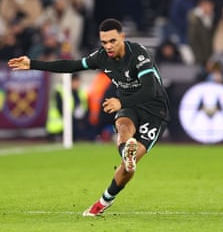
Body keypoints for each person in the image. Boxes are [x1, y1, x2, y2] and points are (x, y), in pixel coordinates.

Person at [8, 18, 171, 217]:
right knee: (123, 128)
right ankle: (127, 147)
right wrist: (33, 64)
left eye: (112, 41)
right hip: (129, 107)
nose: (108, 47)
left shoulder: (139, 54)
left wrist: (121, 103)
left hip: (155, 111)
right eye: (104, 42)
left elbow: (150, 90)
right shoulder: (102, 57)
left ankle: (104, 200)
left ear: (122, 37)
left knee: (128, 169)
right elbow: (72, 65)